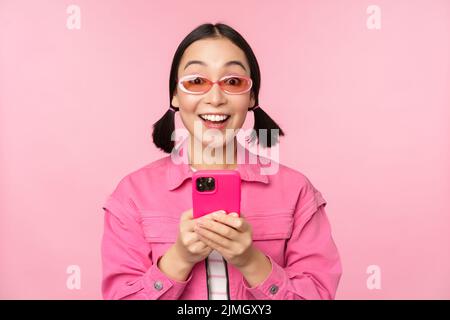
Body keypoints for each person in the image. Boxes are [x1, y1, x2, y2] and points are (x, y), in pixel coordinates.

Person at [101, 22, 342, 300]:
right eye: (196, 81)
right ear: (175, 96)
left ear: (251, 96)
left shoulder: (297, 191)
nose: (215, 98)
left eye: (232, 82)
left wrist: (251, 260)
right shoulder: (132, 195)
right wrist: (179, 259)